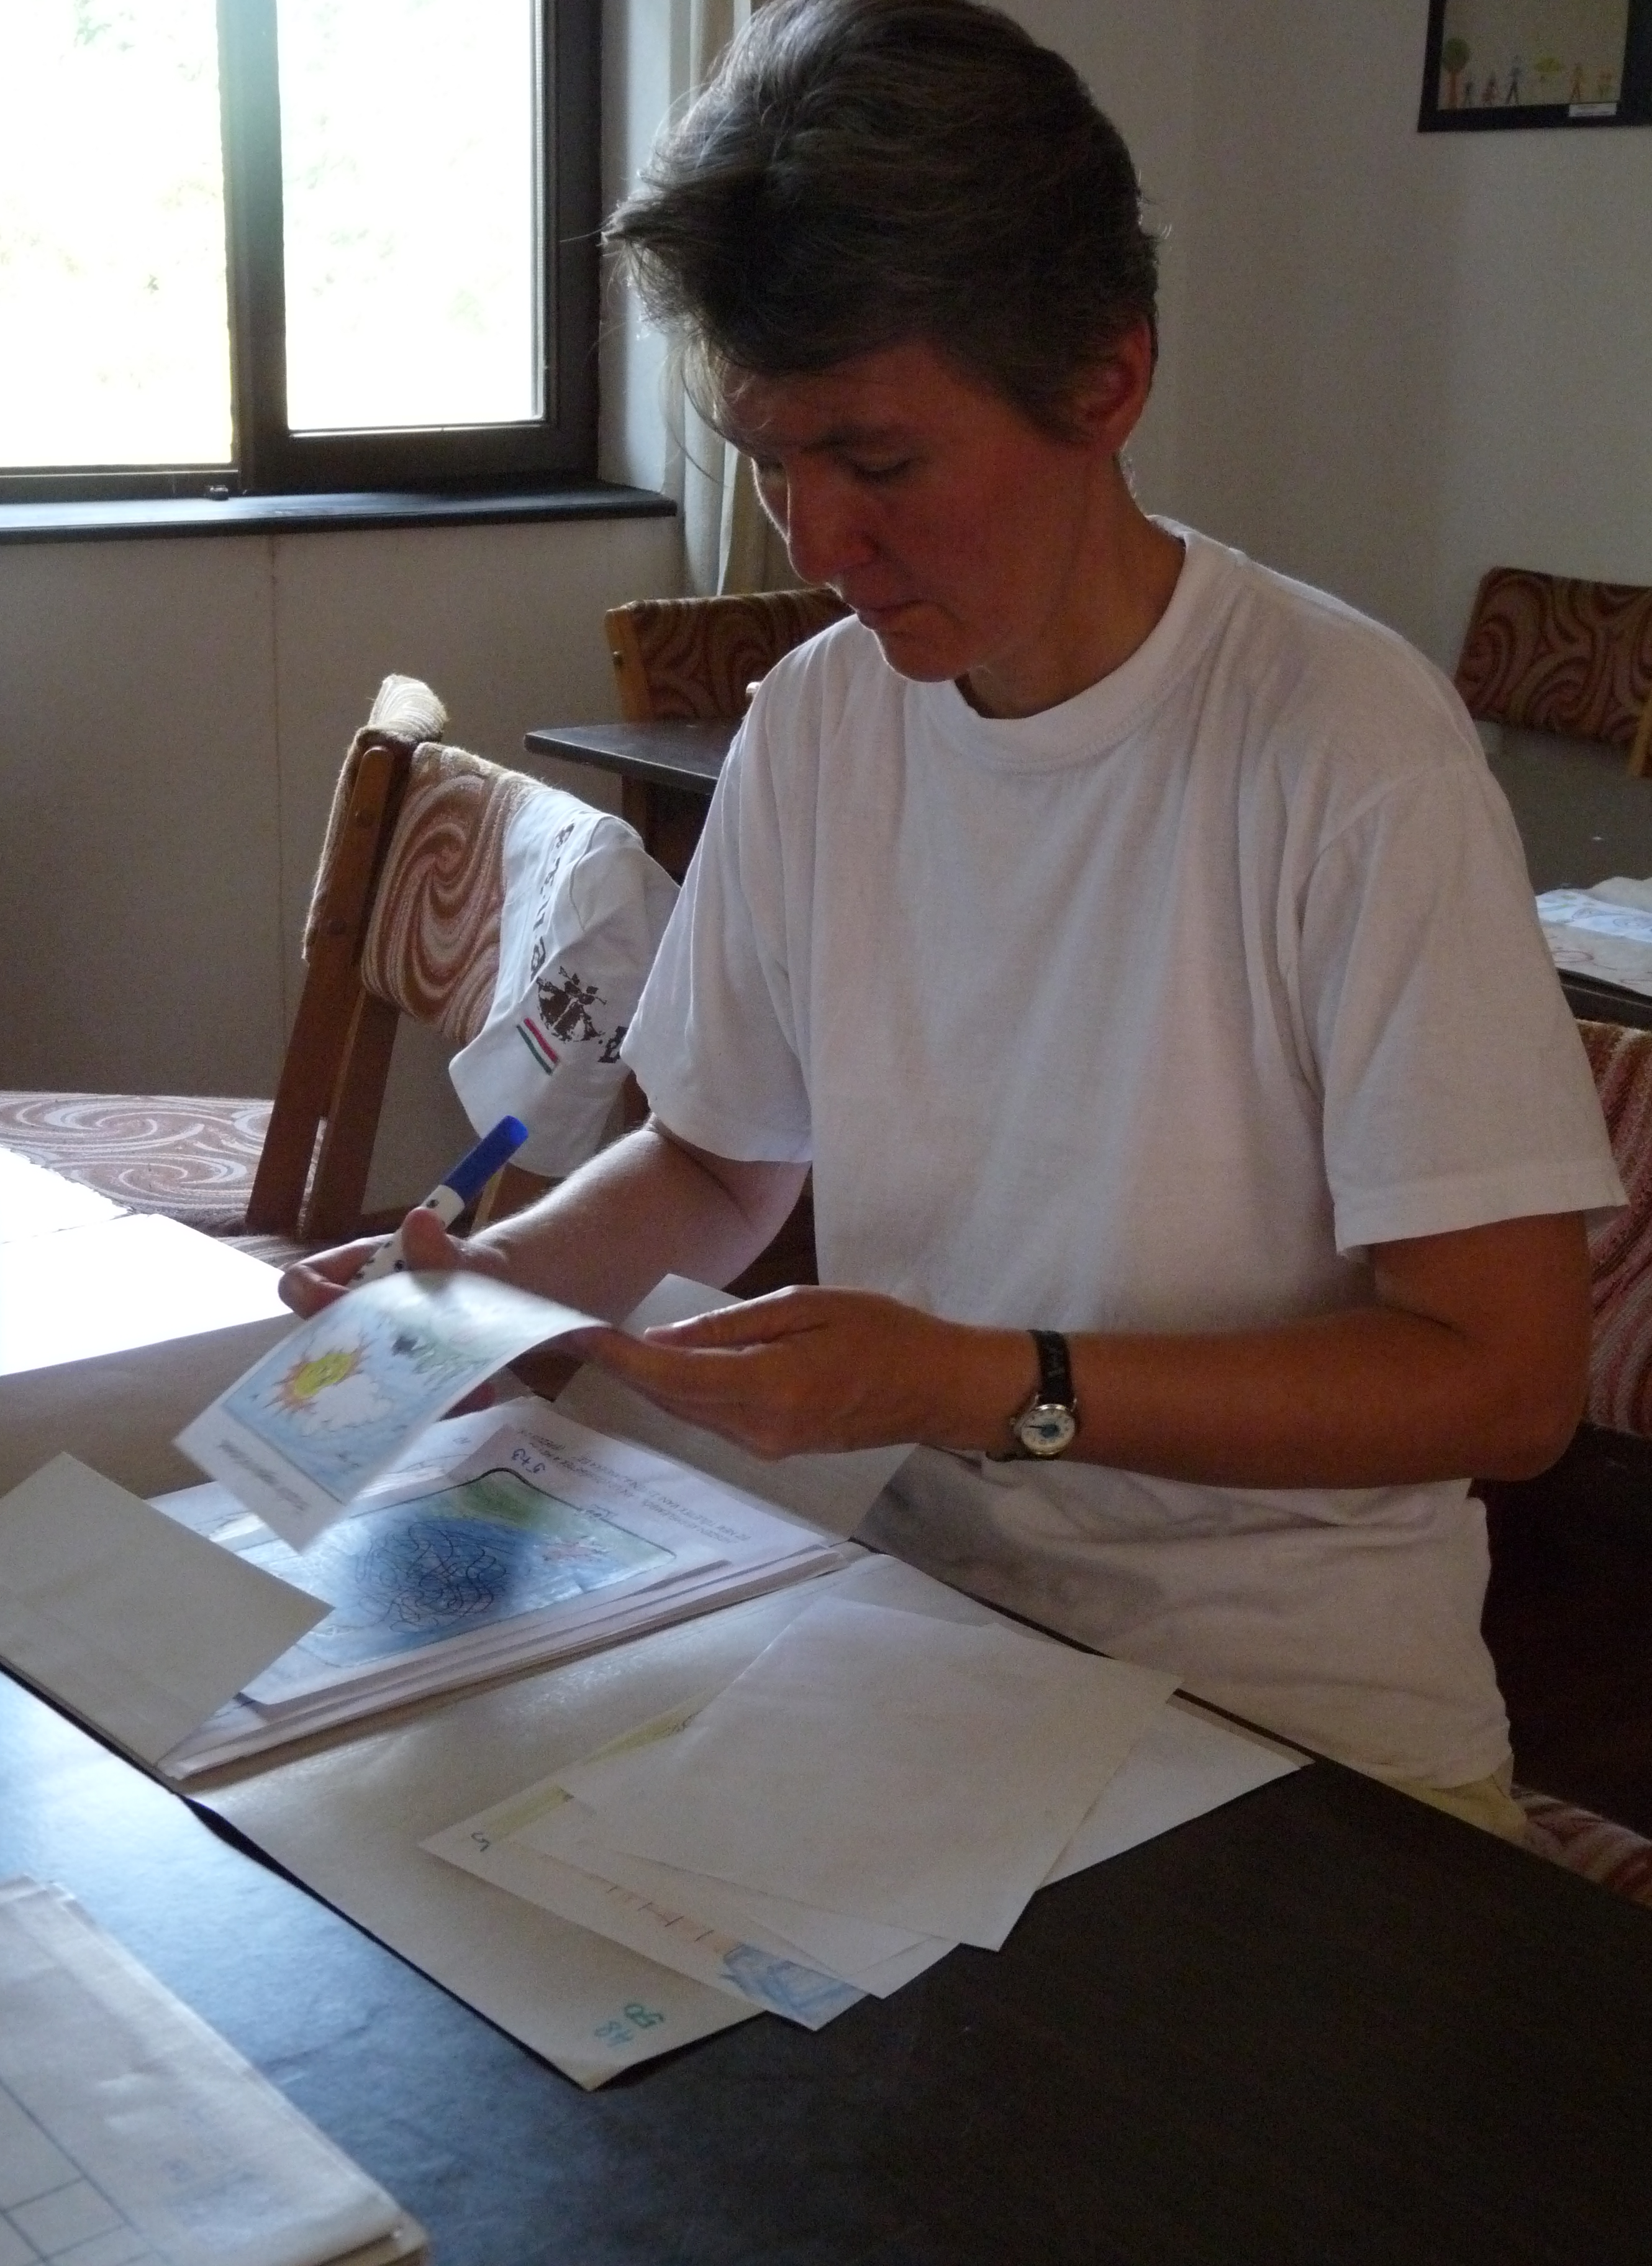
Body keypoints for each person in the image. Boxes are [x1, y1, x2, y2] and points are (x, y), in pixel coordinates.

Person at [284, 0, 1622, 1834]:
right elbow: (716, 1158)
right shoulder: (821, 722)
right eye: (769, 458)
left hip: (1292, 1721)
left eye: (881, 461)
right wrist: (487, 1291)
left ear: (1107, 381)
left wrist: (994, 1385)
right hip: (915, 1633)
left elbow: (1506, 1384)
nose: (817, 537)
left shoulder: (1345, 753)